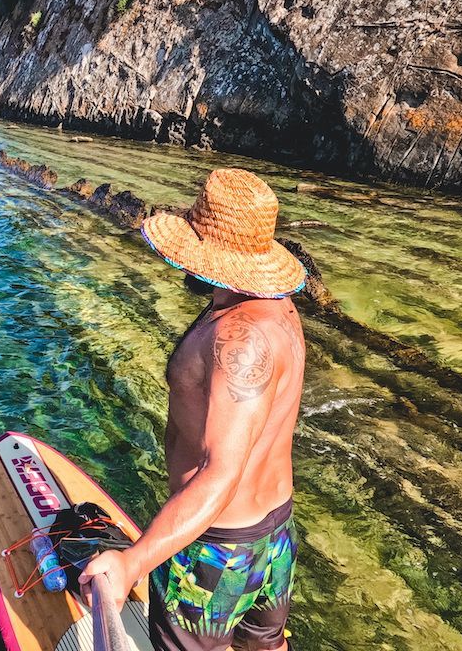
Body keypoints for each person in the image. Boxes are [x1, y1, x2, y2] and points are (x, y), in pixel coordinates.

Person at [81, 168, 308, 651]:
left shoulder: (241, 339)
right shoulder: (280, 308)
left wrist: (132, 563)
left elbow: (220, 474)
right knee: (266, 644)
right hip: (275, 531)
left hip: (218, 547)